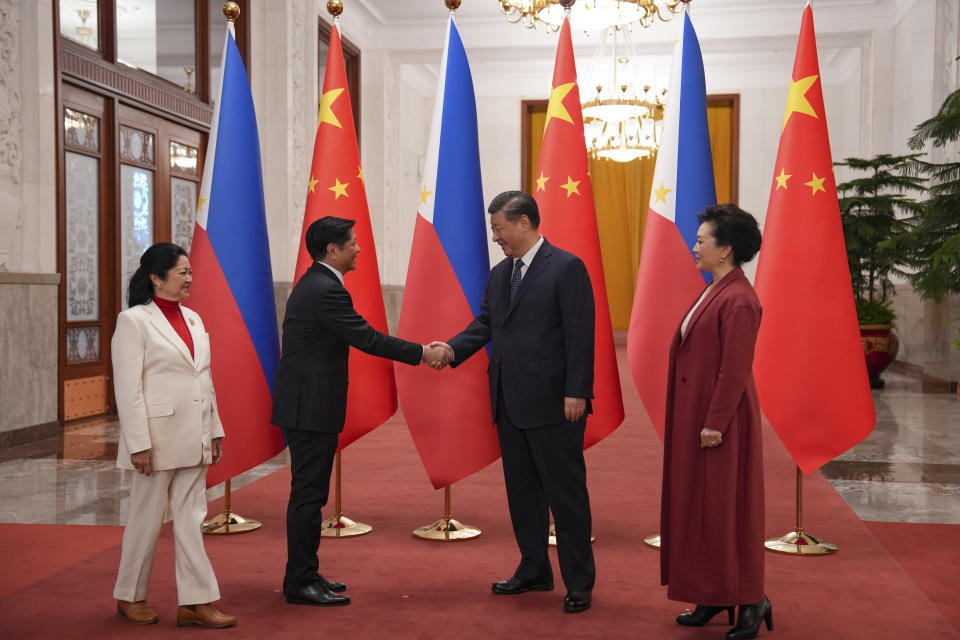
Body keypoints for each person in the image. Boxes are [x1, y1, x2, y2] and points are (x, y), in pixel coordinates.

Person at [271, 216, 449, 607]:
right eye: (351, 242)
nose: (358, 248)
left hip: (308, 403)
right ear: (332, 250)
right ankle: (300, 581)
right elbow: (367, 338)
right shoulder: (325, 290)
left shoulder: (318, 283)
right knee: (308, 495)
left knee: (310, 492)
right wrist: (423, 353)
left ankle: (303, 572)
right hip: (309, 406)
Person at [438, 190, 596, 614]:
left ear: (524, 222)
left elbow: (582, 334)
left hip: (555, 403)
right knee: (523, 494)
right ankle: (534, 569)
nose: (496, 238)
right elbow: (487, 324)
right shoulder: (499, 273)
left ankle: (579, 582)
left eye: (499, 228)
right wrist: (452, 350)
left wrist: (577, 391)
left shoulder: (567, 267)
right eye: (494, 230)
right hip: (508, 401)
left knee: (565, 497)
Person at [660, 204, 771, 640]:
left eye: (702, 240)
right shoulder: (715, 289)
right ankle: (714, 592)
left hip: (721, 424)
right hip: (699, 418)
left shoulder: (741, 299)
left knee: (728, 512)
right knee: (701, 508)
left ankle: (750, 598)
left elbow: (735, 367)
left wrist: (716, 422)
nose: (695, 246)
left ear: (725, 249)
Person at [111, 242, 236, 628]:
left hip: (194, 437)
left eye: (190, 273)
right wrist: (139, 445)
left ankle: (196, 603)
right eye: (182, 272)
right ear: (155, 277)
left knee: (191, 520)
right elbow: (127, 389)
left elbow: (205, 380)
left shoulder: (194, 319)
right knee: (146, 521)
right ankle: (130, 595)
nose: (189, 279)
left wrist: (213, 430)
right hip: (156, 440)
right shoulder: (133, 321)